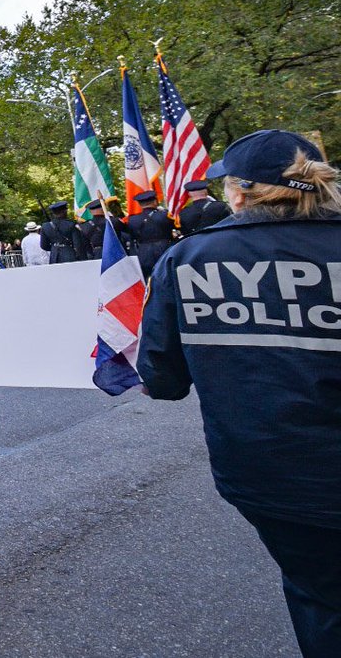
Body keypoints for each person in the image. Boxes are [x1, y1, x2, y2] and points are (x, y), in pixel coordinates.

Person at [136, 129, 341, 658]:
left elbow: (162, 379)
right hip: (283, 478)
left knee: (321, 597)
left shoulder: (188, 259)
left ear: (240, 192)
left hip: (267, 476)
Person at [124, 189, 175, 277]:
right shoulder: (165, 215)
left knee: (148, 278)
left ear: (140, 204)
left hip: (143, 252)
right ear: (155, 201)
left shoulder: (132, 220)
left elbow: (132, 236)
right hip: (165, 249)